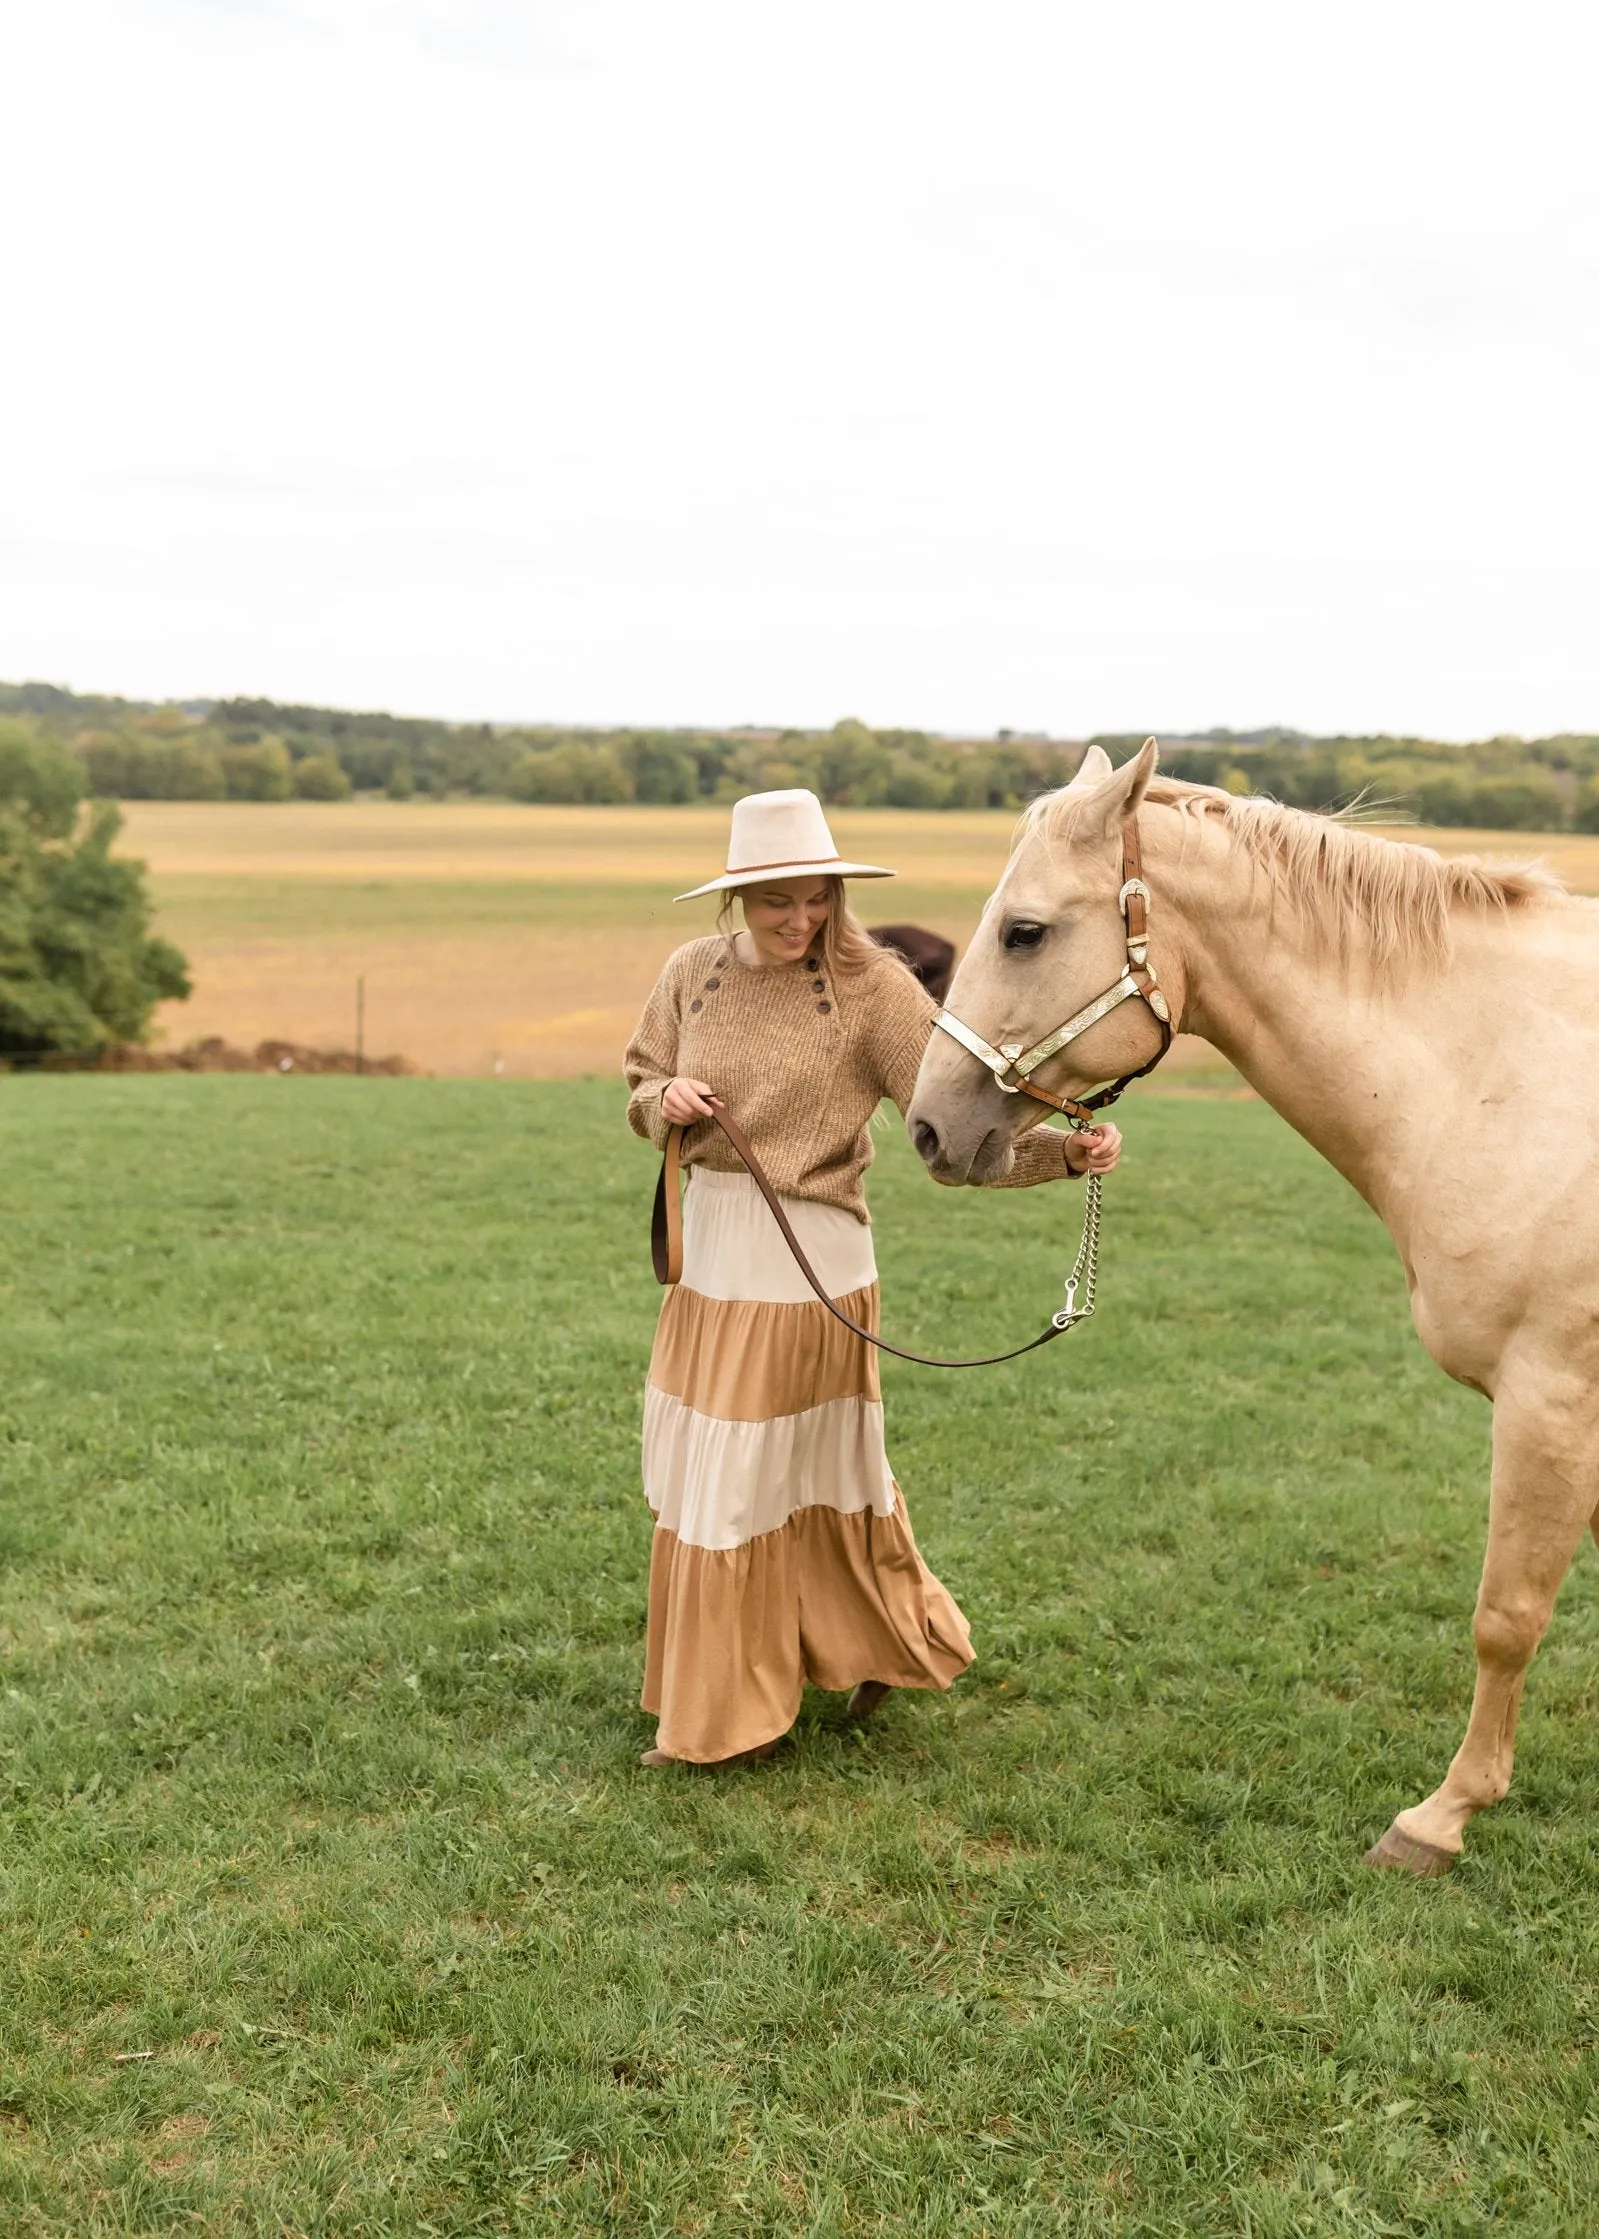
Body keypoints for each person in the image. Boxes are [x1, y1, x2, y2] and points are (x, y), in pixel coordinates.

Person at [623, 789, 1122, 1768]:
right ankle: (877, 1639)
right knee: (740, 1479)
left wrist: (1062, 1155)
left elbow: (947, 1138)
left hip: (813, 1265)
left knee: (764, 1483)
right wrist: (664, 1100)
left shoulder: (875, 988)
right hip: (711, 1259)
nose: (799, 919)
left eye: (817, 898)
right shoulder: (691, 975)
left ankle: (724, 1720)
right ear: (738, 899)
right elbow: (640, 1081)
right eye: (776, 902)